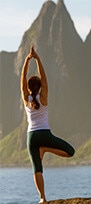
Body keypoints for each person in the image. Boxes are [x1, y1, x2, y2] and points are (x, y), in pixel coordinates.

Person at [21, 46, 75, 203]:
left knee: (37, 169)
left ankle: (42, 198)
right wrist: (38, 59)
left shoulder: (26, 99)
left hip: (31, 137)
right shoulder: (43, 98)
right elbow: (44, 78)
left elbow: (22, 79)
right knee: (70, 151)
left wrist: (26, 61)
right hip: (45, 134)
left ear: (30, 88)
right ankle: (47, 148)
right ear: (40, 87)